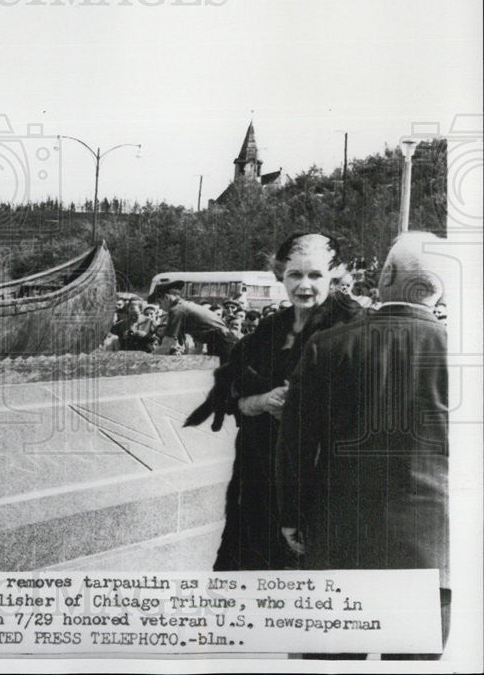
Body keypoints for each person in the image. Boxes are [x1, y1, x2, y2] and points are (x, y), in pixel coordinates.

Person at [278, 232, 451, 659]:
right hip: (431, 551)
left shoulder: (328, 346)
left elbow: (295, 446)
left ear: (387, 274)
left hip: (339, 546)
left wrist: (291, 517)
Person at [207, 233, 362, 571]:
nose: (304, 285)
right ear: (280, 275)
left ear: (336, 276)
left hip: (317, 486)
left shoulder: (355, 328)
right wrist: (259, 401)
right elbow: (230, 393)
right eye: (295, 274)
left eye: (315, 275)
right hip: (256, 485)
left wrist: (302, 410)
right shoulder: (268, 328)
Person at [150, 282, 236, 362]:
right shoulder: (185, 306)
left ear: (166, 297)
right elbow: (199, 347)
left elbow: (167, 345)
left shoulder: (177, 310)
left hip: (223, 343)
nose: (160, 307)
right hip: (226, 341)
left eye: (159, 302)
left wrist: (147, 358)